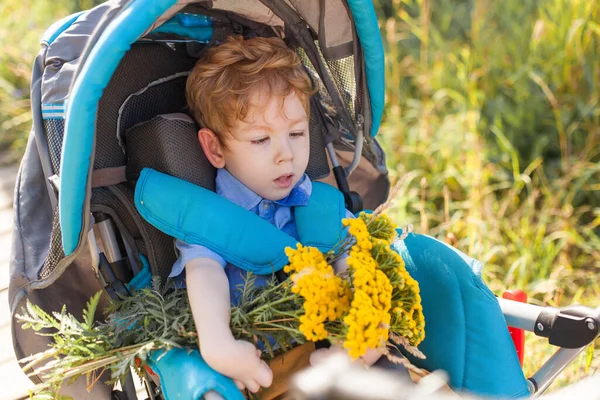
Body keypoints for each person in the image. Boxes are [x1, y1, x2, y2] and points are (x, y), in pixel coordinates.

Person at [170, 36, 389, 395]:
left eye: (297, 133)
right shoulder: (212, 220)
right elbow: (204, 273)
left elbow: (350, 259)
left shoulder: (318, 205)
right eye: (260, 140)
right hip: (258, 362)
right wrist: (218, 344)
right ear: (215, 148)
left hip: (329, 351)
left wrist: (364, 324)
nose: (285, 154)